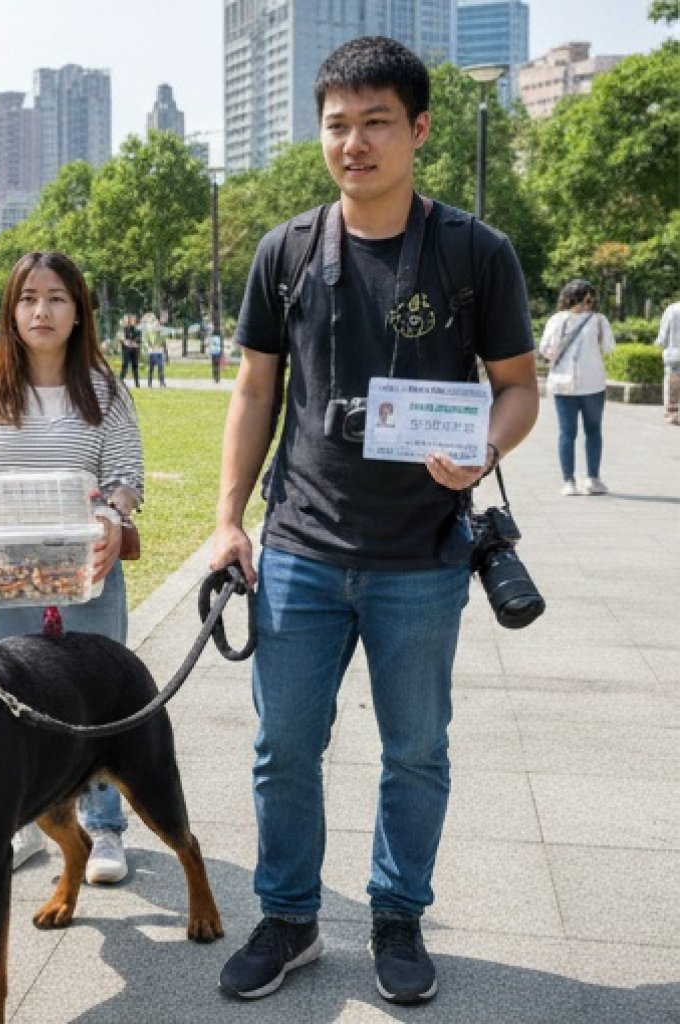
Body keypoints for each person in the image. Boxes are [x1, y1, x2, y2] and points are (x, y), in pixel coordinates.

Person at [211, 37, 538, 1006]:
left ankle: (396, 918)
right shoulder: (287, 250)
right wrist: (228, 520)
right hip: (301, 548)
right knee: (282, 749)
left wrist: (484, 446)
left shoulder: (474, 252)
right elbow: (254, 389)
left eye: (376, 122)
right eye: (337, 125)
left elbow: (517, 388)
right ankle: (289, 917)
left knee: (415, 749)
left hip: (422, 557)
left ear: (419, 128)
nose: (354, 142)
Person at [0, 251, 144, 884]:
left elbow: (125, 478)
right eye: (28, 298)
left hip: (87, 575)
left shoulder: (105, 392)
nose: (41, 310)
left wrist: (111, 515)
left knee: (99, 697)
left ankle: (103, 828)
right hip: (2, 583)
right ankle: (21, 823)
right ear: (11, 312)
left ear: (79, 312)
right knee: (5, 700)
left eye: (56, 297)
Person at [539, 279, 616, 495]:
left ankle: (569, 482)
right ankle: (592, 479)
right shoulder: (599, 320)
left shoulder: (556, 320)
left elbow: (544, 350)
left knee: (566, 433)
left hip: (563, 384)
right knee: (593, 431)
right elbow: (609, 347)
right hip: (592, 384)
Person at [654, 300, 680, 425]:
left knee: (672, 383)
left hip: (673, 353)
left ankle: (672, 413)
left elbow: (663, 335)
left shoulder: (672, 309)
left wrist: (659, 344)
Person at [145, 321, 167, 387]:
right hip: (151, 353)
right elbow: (147, 343)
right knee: (150, 369)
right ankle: (149, 383)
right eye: (155, 326)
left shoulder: (161, 335)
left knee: (160, 368)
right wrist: (149, 346)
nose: (157, 327)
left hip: (159, 353)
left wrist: (165, 352)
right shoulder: (149, 334)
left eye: (158, 326)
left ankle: (161, 382)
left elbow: (164, 344)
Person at [120, 318, 141, 387]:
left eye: (134, 321)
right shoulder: (125, 329)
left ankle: (137, 383)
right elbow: (123, 340)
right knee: (124, 365)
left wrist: (131, 342)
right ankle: (121, 381)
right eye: (131, 321)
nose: (133, 322)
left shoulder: (138, 331)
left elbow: (138, 340)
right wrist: (126, 342)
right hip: (126, 350)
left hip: (134, 350)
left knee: (135, 366)